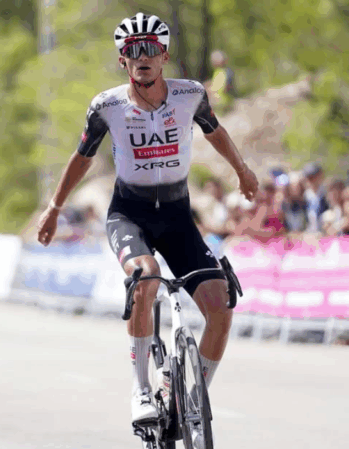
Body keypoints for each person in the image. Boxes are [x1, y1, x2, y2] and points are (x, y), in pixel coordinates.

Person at [34, 12, 258, 445]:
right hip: (129, 215)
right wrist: (54, 207)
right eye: (132, 51)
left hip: (177, 217)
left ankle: (191, 397)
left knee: (221, 304)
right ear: (123, 60)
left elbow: (215, 131)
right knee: (146, 277)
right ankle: (140, 389)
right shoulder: (107, 106)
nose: (141, 57)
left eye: (150, 50)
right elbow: (81, 158)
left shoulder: (190, 95)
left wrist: (243, 171)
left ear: (164, 56)